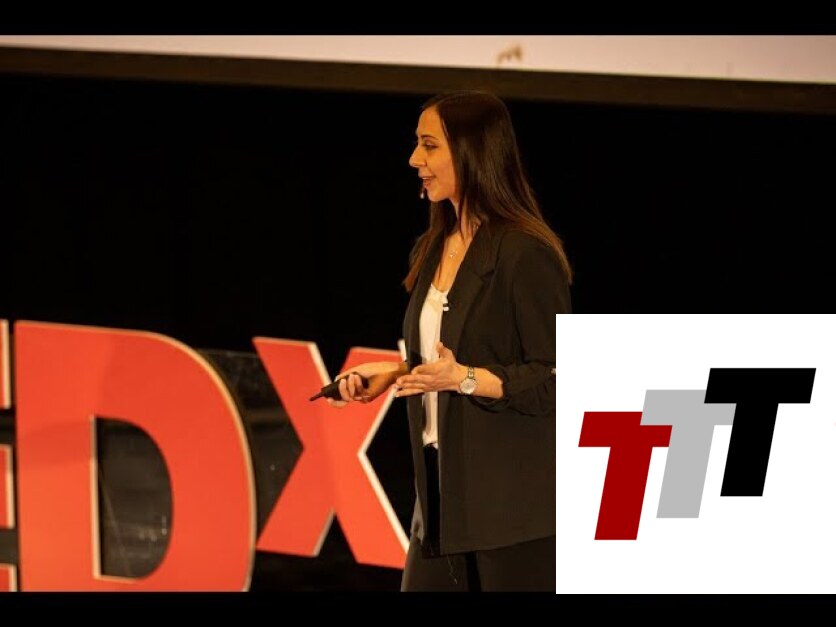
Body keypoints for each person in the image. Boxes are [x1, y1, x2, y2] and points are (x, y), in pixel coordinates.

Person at [326, 90, 572, 591]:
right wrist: (395, 373)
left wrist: (464, 380)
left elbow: (557, 378)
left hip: (512, 512)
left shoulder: (525, 254)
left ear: (471, 151)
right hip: (440, 499)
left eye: (429, 145)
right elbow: (458, 351)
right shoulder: (433, 245)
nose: (414, 159)